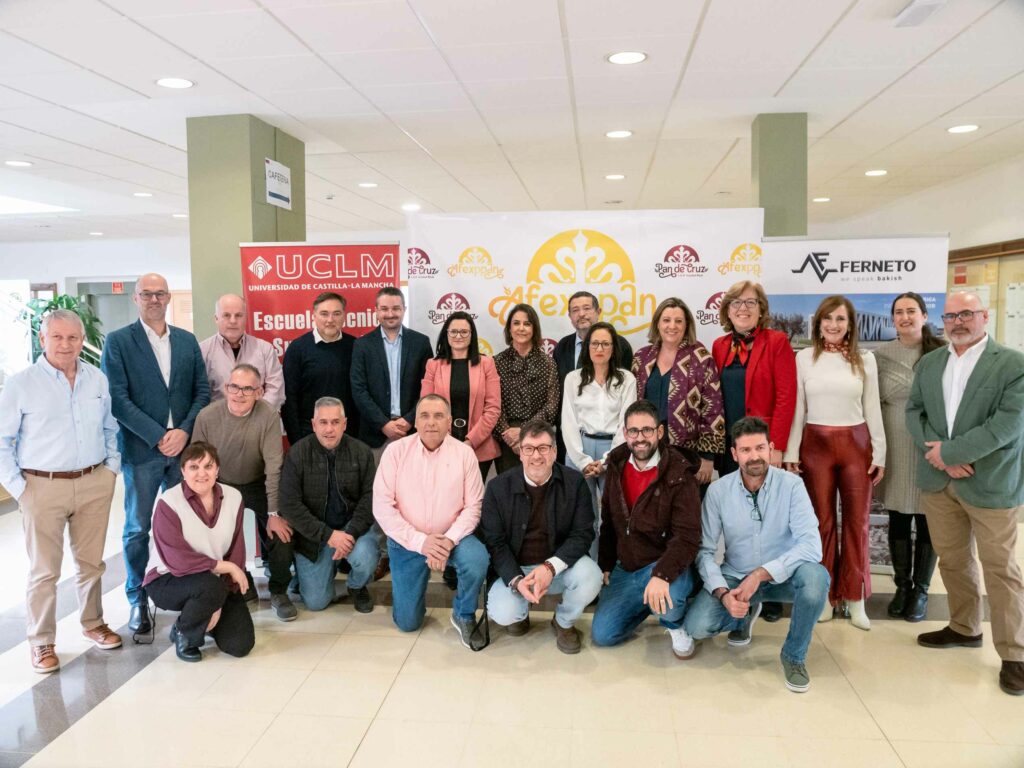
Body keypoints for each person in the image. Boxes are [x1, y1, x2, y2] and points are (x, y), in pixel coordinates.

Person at [907, 291, 1024, 696]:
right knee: (954, 561)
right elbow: (914, 412)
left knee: (1001, 569)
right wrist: (940, 456)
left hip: (990, 481)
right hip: (940, 482)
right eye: (952, 314)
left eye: (967, 314)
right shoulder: (930, 362)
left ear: (984, 317)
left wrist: (952, 453)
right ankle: (963, 626)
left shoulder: (1013, 364)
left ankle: (1015, 654)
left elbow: (1007, 424)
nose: (958, 321)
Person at [0, 310, 122, 673]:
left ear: (82, 339)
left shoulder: (96, 379)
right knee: (44, 571)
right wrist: (21, 490)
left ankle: (92, 623)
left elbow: (110, 428)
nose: (66, 345)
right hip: (42, 486)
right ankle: (41, 642)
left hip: (92, 482)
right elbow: (2, 441)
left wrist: (110, 470)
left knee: (91, 564)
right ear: (43, 339)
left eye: (73, 338)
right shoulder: (22, 384)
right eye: (58, 337)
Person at [684, 417, 830, 693]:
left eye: (760, 448)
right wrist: (723, 594)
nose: (755, 457)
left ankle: (793, 656)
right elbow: (703, 552)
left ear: (771, 449)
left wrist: (761, 574)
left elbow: (812, 545)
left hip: (784, 576)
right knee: (697, 627)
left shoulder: (792, 486)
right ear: (734, 454)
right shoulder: (718, 491)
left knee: (816, 580)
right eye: (747, 450)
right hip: (736, 576)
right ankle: (743, 612)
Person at [102, 273, 210, 635]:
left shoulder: (186, 341)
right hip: (142, 452)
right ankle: (137, 599)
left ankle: (184, 593)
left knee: (186, 526)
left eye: (159, 293)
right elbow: (117, 399)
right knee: (137, 529)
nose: (153, 299)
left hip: (183, 453)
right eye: (146, 294)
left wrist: (182, 431)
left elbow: (202, 392)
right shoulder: (118, 342)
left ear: (168, 298)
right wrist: (158, 435)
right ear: (135, 298)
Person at [784, 295, 885, 631]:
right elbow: (798, 408)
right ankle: (826, 596)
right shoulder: (804, 358)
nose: (833, 325)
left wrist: (880, 452)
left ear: (850, 324)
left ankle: (855, 598)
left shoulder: (865, 359)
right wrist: (791, 452)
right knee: (822, 523)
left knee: (857, 523)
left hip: (857, 447)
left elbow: (873, 409)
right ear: (818, 323)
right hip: (815, 448)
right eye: (828, 319)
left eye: (840, 319)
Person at [711, 281, 797, 623]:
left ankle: (771, 588)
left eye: (750, 303)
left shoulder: (776, 342)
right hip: (729, 447)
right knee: (737, 517)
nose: (742, 308)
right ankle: (738, 578)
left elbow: (786, 396)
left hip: (762, 449)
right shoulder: (718, 346)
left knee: (770, 519)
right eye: (735, 303)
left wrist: (775, 447)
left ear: (761, 309)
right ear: (726, 310)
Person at [373, 395, 489, 647]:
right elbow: (382, 508)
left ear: (449, 422)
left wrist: (447, 540)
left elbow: (474, 506)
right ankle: (411, 600)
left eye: (438, 416)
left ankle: (463, 613)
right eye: (424, 415)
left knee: (478, 560)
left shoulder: (464, 454)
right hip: (407, 541)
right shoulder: (395, 452)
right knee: (407, 624)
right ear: (415, 421)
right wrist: (421, 543)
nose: (431, 423)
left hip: (453, 538)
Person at [478, 420, 603, 654]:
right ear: (520, 453)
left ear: (554, 452)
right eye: (529, 449)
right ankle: (520, 612)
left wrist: (550, 567)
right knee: (503, 612)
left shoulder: (574, 482)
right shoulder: (497, 488)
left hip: (560, 566)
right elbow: (495, 542)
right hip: (518, 570)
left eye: (543, 448)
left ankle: (563, 622)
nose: (536, 456)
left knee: (591, 577)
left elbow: (583, 533)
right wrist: (516, 580)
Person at [591, 400, 702, 659]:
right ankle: (648, 603)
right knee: (603, 635)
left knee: (669, 600)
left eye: (647, 430)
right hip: (627, 566)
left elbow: (688, 536)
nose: (640, 438)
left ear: (659, 432)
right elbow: (608, 520)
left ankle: (673, 622)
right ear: (625, 433)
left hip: (664, 564)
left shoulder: (679, 473)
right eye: (633, 431)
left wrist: (662, 575)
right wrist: (606, 562)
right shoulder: (617, 465)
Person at [192, 364, 293, 620]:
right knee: (214, 533)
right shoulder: (206, 416)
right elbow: (197, 467)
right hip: (220, 484)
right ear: (226, 388)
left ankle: (279, 590)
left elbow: (274, 466)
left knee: (280, 532)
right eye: (235, 387)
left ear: (259, 392)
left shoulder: (268, 415)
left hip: (258, 481)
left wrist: (274, 512)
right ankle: (239, 583)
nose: (239, 394)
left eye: (248, 388)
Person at [144, 442, 254, 663]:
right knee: (209, 588)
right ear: (183, 471)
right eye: (194, 467)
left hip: (214, 582)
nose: (201, 473)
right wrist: (228, 570)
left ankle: (201, 617)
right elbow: (178, 560)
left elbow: (236, 548)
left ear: (217, 470)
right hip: (168, 580)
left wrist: (219, 599)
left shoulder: (234, 497)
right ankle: (185, 632)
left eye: (208, 466)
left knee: (240, 645)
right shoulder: (168, 502)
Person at [875, 292, 944, 622]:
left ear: (924, 315)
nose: (905, 317)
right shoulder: (880, 356)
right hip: (894, 446)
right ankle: (902, 586)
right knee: (899, 516)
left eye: (911, 311)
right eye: (899, 312)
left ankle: (921, 590)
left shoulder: (943, 352)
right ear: (893, 319)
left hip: (932, 447)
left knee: (929, 518)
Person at [279, 397, 378, 614]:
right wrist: (328, 535)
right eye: (323, 422)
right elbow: (289, 505)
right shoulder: (297, 453)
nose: (329, 429)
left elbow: (370, 498)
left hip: (352, 531)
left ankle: (356, 586)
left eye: (335, 422)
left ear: (345, 424)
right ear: (314, 424)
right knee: (315, 603)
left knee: (366, 555)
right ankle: (317, 572)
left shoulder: (362, 452)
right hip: (315, 537)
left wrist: (349, 533)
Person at [631, 297, 724, 489]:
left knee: (685, 512)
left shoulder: (701, 357)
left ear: (686, 325)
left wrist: (707, 457)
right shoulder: (641, 357)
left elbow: (713, 409)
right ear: (657, 324)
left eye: (678, 321)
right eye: (666, 320)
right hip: (646, 449)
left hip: (688, 454)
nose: (672, 326)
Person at [561, 321, 636, 555]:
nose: (599, 348)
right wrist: (583, 462)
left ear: (614, 348)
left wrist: (606, 461)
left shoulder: (626, 379)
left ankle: (612, 568)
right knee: (583, 516)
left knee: (616, 513)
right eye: (595, 343)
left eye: (605, 343)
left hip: (615, 449)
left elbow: (627, 424)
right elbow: (569, 422)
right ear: (587, 347)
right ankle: (588, 568)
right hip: (579, 449)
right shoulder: (573, 379)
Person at [350, 287, 432, 460]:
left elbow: (428, 387)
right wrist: (383, 423)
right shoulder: (362, 345)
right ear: (376, 311)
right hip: (374, 435)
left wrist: (410, 419)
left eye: (396, 308)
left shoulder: (421, 343)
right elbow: (359, 390)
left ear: (404, 309)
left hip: (412, 432)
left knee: (414, 486)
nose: (390, 314)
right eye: (384, 309)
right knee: (375, 487)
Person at [552, 291, 633, 462]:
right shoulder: (562, 347)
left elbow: (621, 397)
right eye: (575, 310)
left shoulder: (621, 346)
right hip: (572, 439)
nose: (581, 314)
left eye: (586, 308)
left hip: (613, 442)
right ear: (570, 316)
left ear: (598, 311)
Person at [421, 311, 501, 480]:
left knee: (474, 500)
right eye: (454, 332)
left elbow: (493, 408)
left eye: (464, 332)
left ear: (472, 335)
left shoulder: (487, 364)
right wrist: (447, 441)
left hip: (478, 447)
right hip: (441, 444)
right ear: (446, 334)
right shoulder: (433, 365)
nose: (459, 336)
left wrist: (470, 442)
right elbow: (426, 407)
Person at [282, 291, 359, 445]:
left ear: (344, 316)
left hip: (349, 437)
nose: (330, 320)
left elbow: (362, 393)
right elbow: (289, 398)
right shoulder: (297, 349)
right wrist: (297, 440)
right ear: (314, 315)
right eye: (324, 314)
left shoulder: (356, 347)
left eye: (336, 313)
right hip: (308, 436)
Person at [493, 303, 559, 474]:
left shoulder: (548, 363)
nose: (521, 328)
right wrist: (508, 435)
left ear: (534, 328)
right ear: (509, 328)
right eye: (516, 323)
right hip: (506, 438)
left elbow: (551, 405)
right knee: (509, 491)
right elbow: (492, 402)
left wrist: (524, 431)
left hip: (538, 435)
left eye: (527, 324)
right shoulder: (496, 362)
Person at [199, 293, 284, 411]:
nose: (233, 321)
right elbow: (199, 394)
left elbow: (276, 390)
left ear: (246, 318)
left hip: (259, 422)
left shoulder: (265, 349)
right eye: (226, 315)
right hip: (218, 423)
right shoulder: (202, 351)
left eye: (239, 315)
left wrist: (258, 416)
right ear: (216, 319)